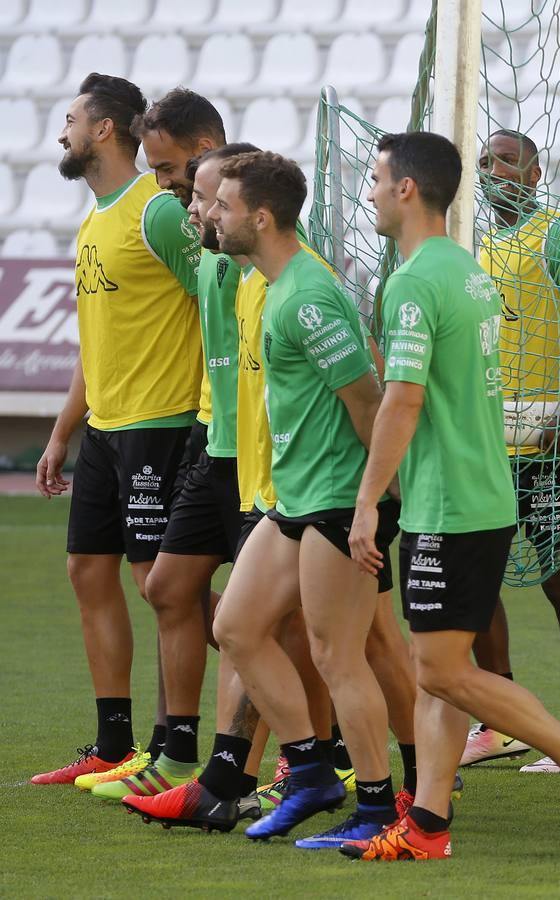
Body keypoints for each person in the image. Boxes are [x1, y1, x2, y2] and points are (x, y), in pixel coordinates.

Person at [346, 131, 560, 859]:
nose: (370, 191)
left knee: (437, 669)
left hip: (454, 502)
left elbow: (401, 401)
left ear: (408, 188)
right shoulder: (466, 270)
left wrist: (369, 500)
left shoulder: (414, 282)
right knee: (437, 675)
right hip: (482, 491)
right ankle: (429, 827)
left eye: (377, 178)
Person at [204, 150, 396, 848]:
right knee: (236, 627)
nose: (211, 216)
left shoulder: (309, 296)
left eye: (222, 206)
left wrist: (373, 504)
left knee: (338, 656)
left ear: (260, 217)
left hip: (342, 500)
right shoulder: (271, 284)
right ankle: (313, 773)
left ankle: (377, 808)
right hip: (299, 497)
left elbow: (369, 401)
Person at [32, 74, 202, 786]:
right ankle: (112, 746)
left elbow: (220, 299)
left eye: (71, 118)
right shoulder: (96, 219)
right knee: (87, 571)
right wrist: (62, 432)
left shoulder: (155, 211)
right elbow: (94, 343)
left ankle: (178, 740)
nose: (63, 130)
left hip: (157, 426)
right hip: (105, 430)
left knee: (158, 586)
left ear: (104, 129)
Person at [90, 90, 237, 801]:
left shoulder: (251, 242)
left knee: (289, 626)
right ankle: (178, 754)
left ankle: (323, 757)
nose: (169, 187)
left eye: (176, 170)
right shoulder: (200, 235)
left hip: (225, 441)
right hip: (208, 435)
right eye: (158, 171)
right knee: (171, 589)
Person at [463, 128, 560, 772]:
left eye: (504, 160)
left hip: (559, 447)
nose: (491, 170)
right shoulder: (470, 247)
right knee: (473, 587)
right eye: (483, 161)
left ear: (533, 173)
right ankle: (500, 722)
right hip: (490, 445)